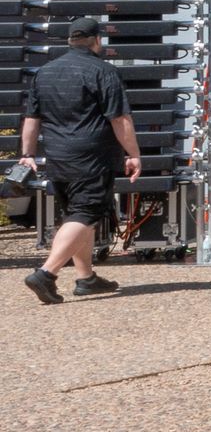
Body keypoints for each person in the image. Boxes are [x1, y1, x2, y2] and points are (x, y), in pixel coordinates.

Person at [18, 17, 141, 303]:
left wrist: (27, 154)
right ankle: (46, 274)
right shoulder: (104, 72)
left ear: (70, 41)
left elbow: (32, 119)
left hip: (58, 156)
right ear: (98, 40)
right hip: (92, 157)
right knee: (86, 214)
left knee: (76, 216)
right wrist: (133, 154)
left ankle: (86, 278)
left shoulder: (45, 73)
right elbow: (120, 119)